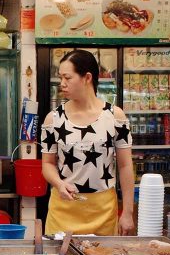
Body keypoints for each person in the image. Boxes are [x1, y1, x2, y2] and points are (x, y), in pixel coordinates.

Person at [40, 49, 135, 236]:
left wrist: (128, 212)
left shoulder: (115, 116)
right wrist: (59, 184)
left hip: (103, 210)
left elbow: (125, 166)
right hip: (64, 210)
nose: (62, 84)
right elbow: (47, 164)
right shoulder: (53, 119)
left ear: (87, 77)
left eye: (68, 78)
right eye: (60, 78)